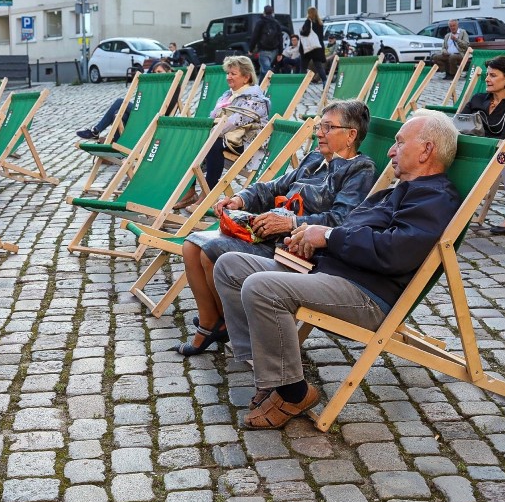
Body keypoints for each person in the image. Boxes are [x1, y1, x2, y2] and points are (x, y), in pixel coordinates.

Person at [212, 110, 462, 428]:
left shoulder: (434, 198)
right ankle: (267, 373)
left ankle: (292, 392)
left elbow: (394, 253)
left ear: (426, 150)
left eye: (399, 142)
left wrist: (328, 236)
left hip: (366, 293)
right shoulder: (402, 191)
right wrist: (312, 241)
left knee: (262, 287)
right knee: (231, 265)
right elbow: (354, 229)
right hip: (333, 272)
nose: (390, 150)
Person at [175, 99, 376, 355]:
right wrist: (240, 198)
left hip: (297, 249)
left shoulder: (360, 169)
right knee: (191, 245)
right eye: (319, 126)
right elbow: (274, 187)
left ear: (351, 135)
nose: (319, 133)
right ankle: (212, 322)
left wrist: (290, 222)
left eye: (327, 127)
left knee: (211, 252)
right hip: (271, 233)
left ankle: (225, 326)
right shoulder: (315, 159)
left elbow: (341, 220)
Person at [177, 55, 270, 212]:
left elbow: (234, 121)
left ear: (246, 76)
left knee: (213, 144)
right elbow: (213, 116)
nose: (228, 77)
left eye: (233, 73)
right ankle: (190, 190)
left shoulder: (256, 98)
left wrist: (210, 131)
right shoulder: (227, 95)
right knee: (194, 142)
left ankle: (208, 195)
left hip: (247, 145)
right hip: (225, 139)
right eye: (228, 73)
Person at [461, 56, 505, 233]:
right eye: (487, 75)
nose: (487, 79)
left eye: (493, 75)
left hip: (499, 150)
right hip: (474, 150)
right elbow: (458, 125)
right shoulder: (478, 99)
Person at [75, 61, 176, 140]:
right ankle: (118, 146)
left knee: (120, 101)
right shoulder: (154, 86)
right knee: (118, 113)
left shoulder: (173, 86)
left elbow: (168, 108)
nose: (156, 75)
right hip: (144, 114)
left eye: (159, 72)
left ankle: (96, 131)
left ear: (169, 72)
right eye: (154, 73)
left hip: (153, 118)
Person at [250, 5, 284, 77]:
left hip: (263, 49)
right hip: (275, 50)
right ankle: (260, 87)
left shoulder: (260, 22)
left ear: (264, 12)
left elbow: (255, 36)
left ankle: (274, 81)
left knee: (266, 70)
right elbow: (280, 38)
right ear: (272, 12)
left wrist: (251, 49)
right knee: (263, 69)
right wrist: (280, 53)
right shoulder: (276, 23)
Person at [300, 7, 327, 84]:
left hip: (308, 48)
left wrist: (301, 31)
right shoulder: (320, 23)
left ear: (309, 13)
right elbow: (321, 36)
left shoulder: (308, 21)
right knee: (319, 66)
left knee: (303, 67)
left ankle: (302, 86)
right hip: (317, 48)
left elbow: (305, 33)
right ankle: (325, 82)